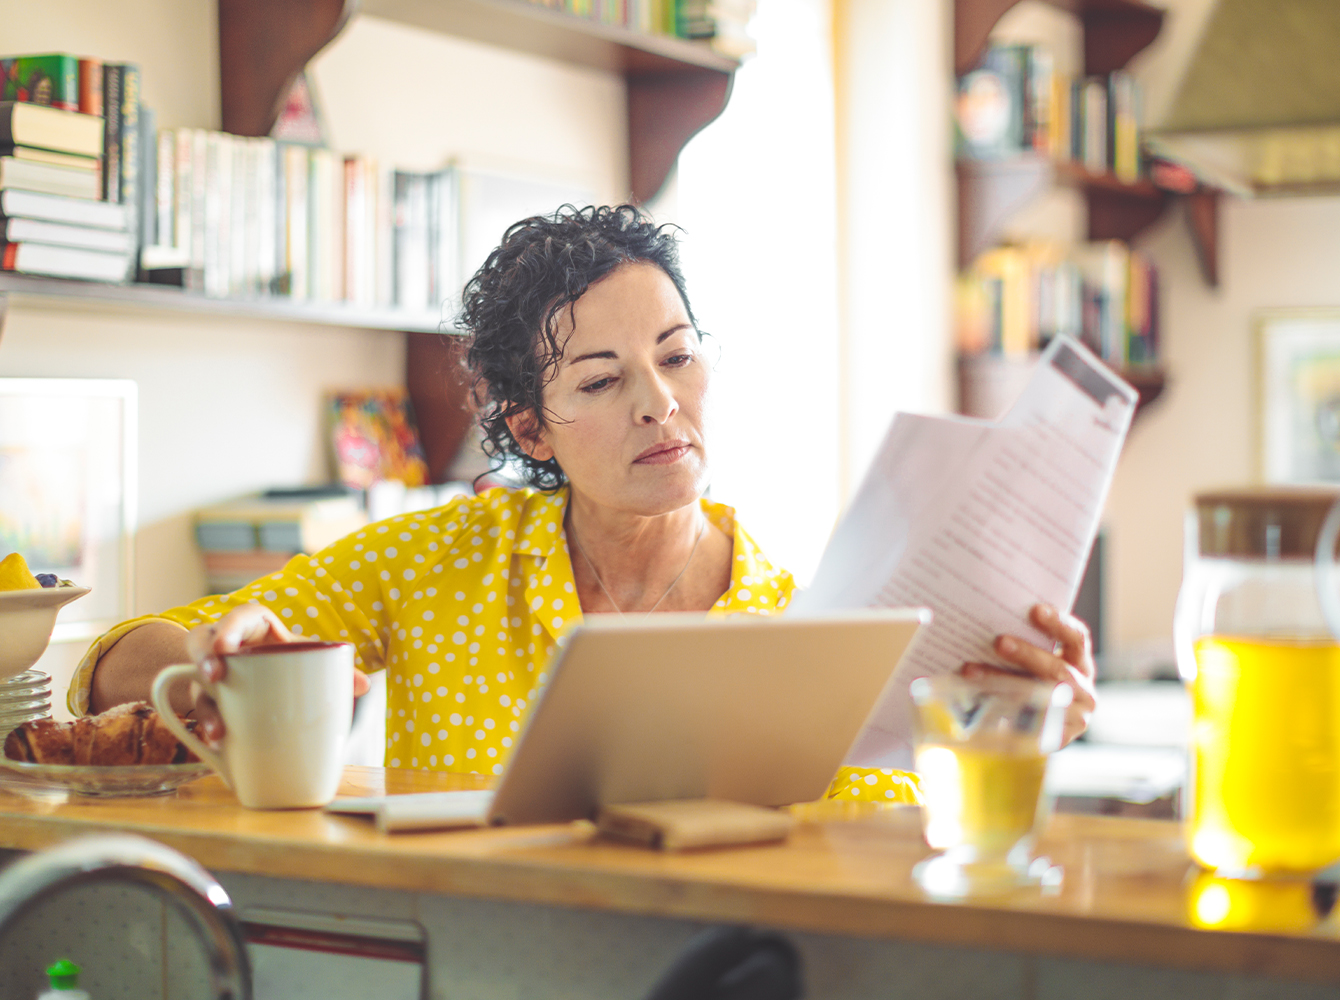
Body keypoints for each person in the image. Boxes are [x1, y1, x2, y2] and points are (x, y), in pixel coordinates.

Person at [71, 205, 1096, 803]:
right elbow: (111, 665)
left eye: (678, 357)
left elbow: (892, 851)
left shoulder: (802, 619)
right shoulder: (433, 564)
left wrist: (1019, 728)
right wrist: (209, 656)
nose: (662, 405)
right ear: (530, 429)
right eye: (602, 382)